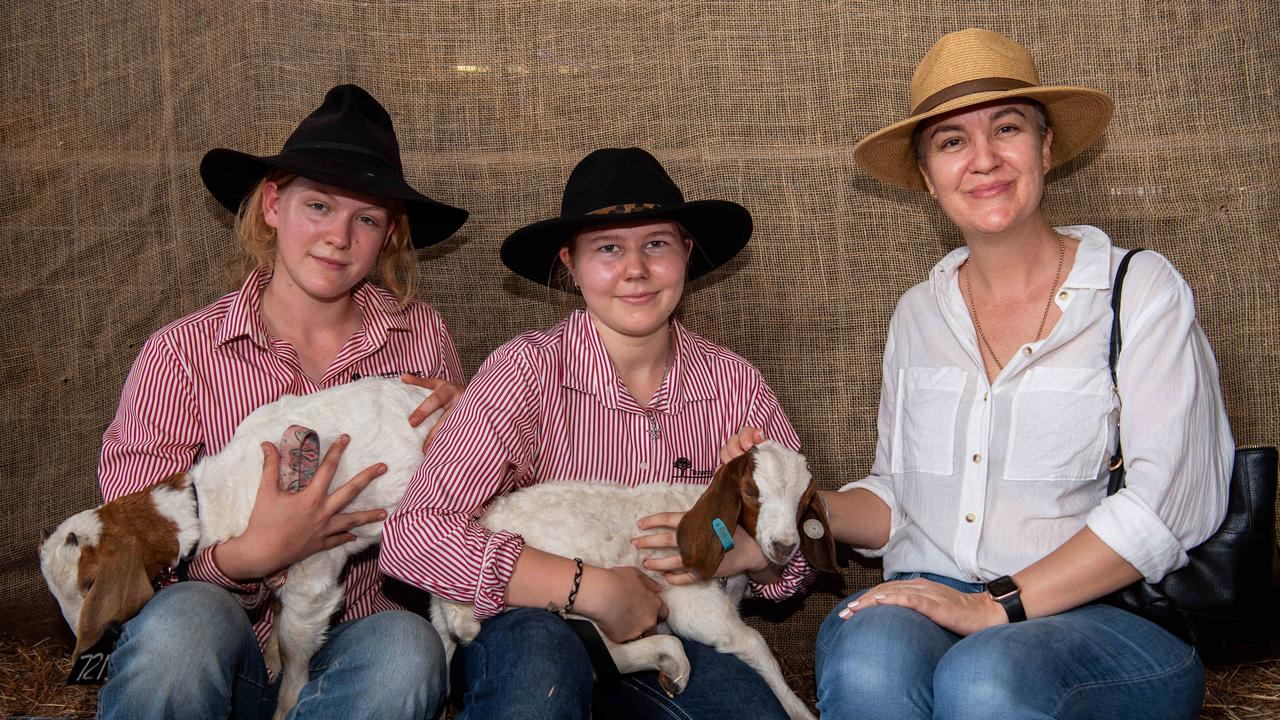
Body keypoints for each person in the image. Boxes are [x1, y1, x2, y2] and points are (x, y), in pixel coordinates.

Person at [805, 29, 1234, 719]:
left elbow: (1167, 505)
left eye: (1005, 128)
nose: (983, 160)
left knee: (986, 678)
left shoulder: (1139, 289)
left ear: (1046, 145)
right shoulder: (918, 311)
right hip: (930, 592)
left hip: (1100, 618)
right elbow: (898, 496)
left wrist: (990, 606)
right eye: (951, 142)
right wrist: (791, 506)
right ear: (926, 175)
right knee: (868, 655)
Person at [381, 147, 815, 719]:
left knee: (745, 710)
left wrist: (746, 557)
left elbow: (796, 564)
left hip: (675, 635)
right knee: (540, 670)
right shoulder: (524, 371)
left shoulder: (736, 385)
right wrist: (593, 588)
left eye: (656, 243)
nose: (635, 269)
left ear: (686, 252)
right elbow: (413, 539)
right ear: (571, 263)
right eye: (608, 248)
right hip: (536, 629)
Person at [95, 84, 469, 720]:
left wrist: (473, 424)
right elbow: (141, 546)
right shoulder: (183, 353)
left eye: (367, 219)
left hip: (363, 624)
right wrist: (253, 556)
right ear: (272, 204)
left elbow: (463, 492)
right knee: (179, 631)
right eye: (318, 206)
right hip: (231, 635)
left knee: (409, 651)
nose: (338, 237)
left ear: (389, 236)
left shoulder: (420, 336)